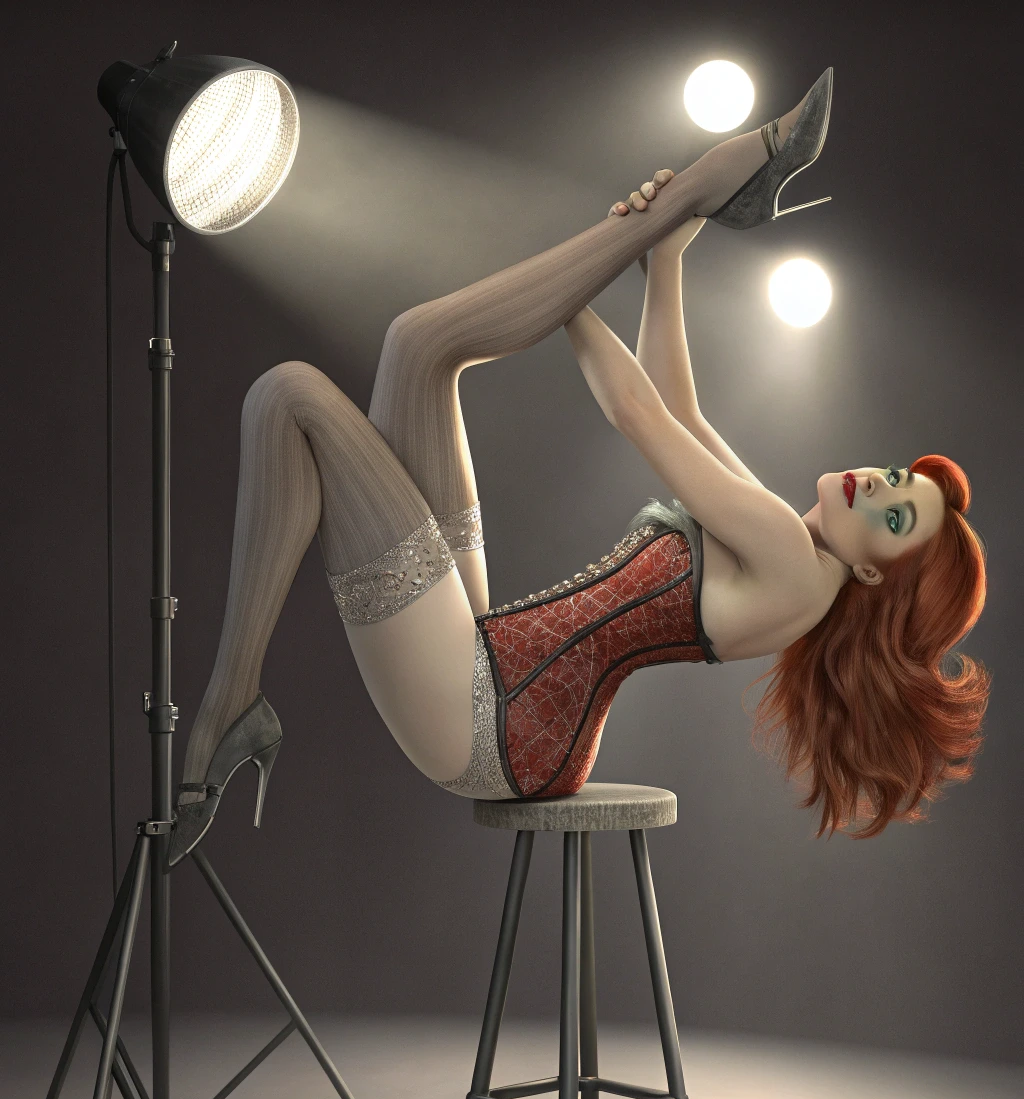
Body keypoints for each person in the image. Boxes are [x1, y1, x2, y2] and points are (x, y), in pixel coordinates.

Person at [168, 68, 988, 865]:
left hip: (491, 719)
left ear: (878, 579)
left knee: (288, 396)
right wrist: (661, 256)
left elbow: (636, 413)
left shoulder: (791, 560)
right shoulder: (796, 561)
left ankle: (229, 703)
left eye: (891, 515)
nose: (873, 485)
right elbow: (679, 410)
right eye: (892, 477)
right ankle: (705, 190)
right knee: (415, 348)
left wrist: (577, 277)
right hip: (505, 679)